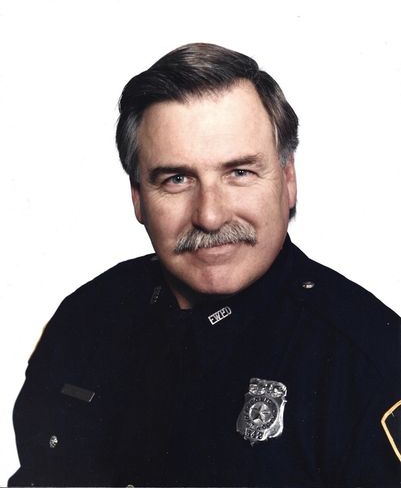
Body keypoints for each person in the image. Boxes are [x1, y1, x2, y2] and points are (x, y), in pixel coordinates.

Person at [9, 43, 401, 487]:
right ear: (138, 198)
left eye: (239, 173)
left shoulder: (369, 361)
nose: (210, 216)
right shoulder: (86, 318)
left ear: (288, 180)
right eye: (177, 179)